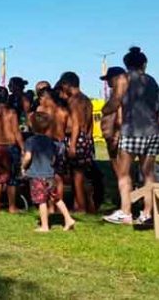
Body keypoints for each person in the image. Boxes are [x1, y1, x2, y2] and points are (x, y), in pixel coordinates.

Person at [102, 47, 159, 225]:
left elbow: (115, 102)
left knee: (124, 174)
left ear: (126, 63)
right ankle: (147, 213)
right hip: (152, 131)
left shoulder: (124, 78)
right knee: (148, 174)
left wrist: (104, 109)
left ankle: (126, 212)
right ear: (144, 64)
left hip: (131, 131)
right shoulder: (151, 81)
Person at [23, 112, 76, 232]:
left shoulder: (30, 141)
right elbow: (53, 158)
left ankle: (45, 226)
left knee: (41, 201)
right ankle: (68, 219)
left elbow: (28, 157)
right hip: (50, 174)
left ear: (32, 126)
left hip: (37, 175)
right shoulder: (50, 141)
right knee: (56, 198)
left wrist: (23, 166)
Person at [57, 71, 96, 213]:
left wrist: (72, 145)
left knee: (77, 176)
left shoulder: (74, 100)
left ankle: (81, 207)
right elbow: (90, 122)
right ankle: (86, 204)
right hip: (86, 139)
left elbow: (76, 125)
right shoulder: (86, 99)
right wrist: (89, 139)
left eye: (63, 85)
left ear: (68, 84)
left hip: (76, 139)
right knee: (83, 175)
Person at [0, 86, 25, 213]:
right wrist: (23, 148)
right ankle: (12, 206)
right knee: (11, 178)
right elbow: (16, 132)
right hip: (10, 146)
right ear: (7, 98)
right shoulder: (11, 113)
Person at [36, 87, 70, 209]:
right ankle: (58, 204)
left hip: (47, 145)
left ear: (47, 98)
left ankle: (50, 206)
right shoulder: (63, 111)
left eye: (41, 97)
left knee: (47, 176)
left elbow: (36, 127)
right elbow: (68, 128)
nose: (39, 100)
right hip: (60, 145)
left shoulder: (41, 111)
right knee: (58, 177)